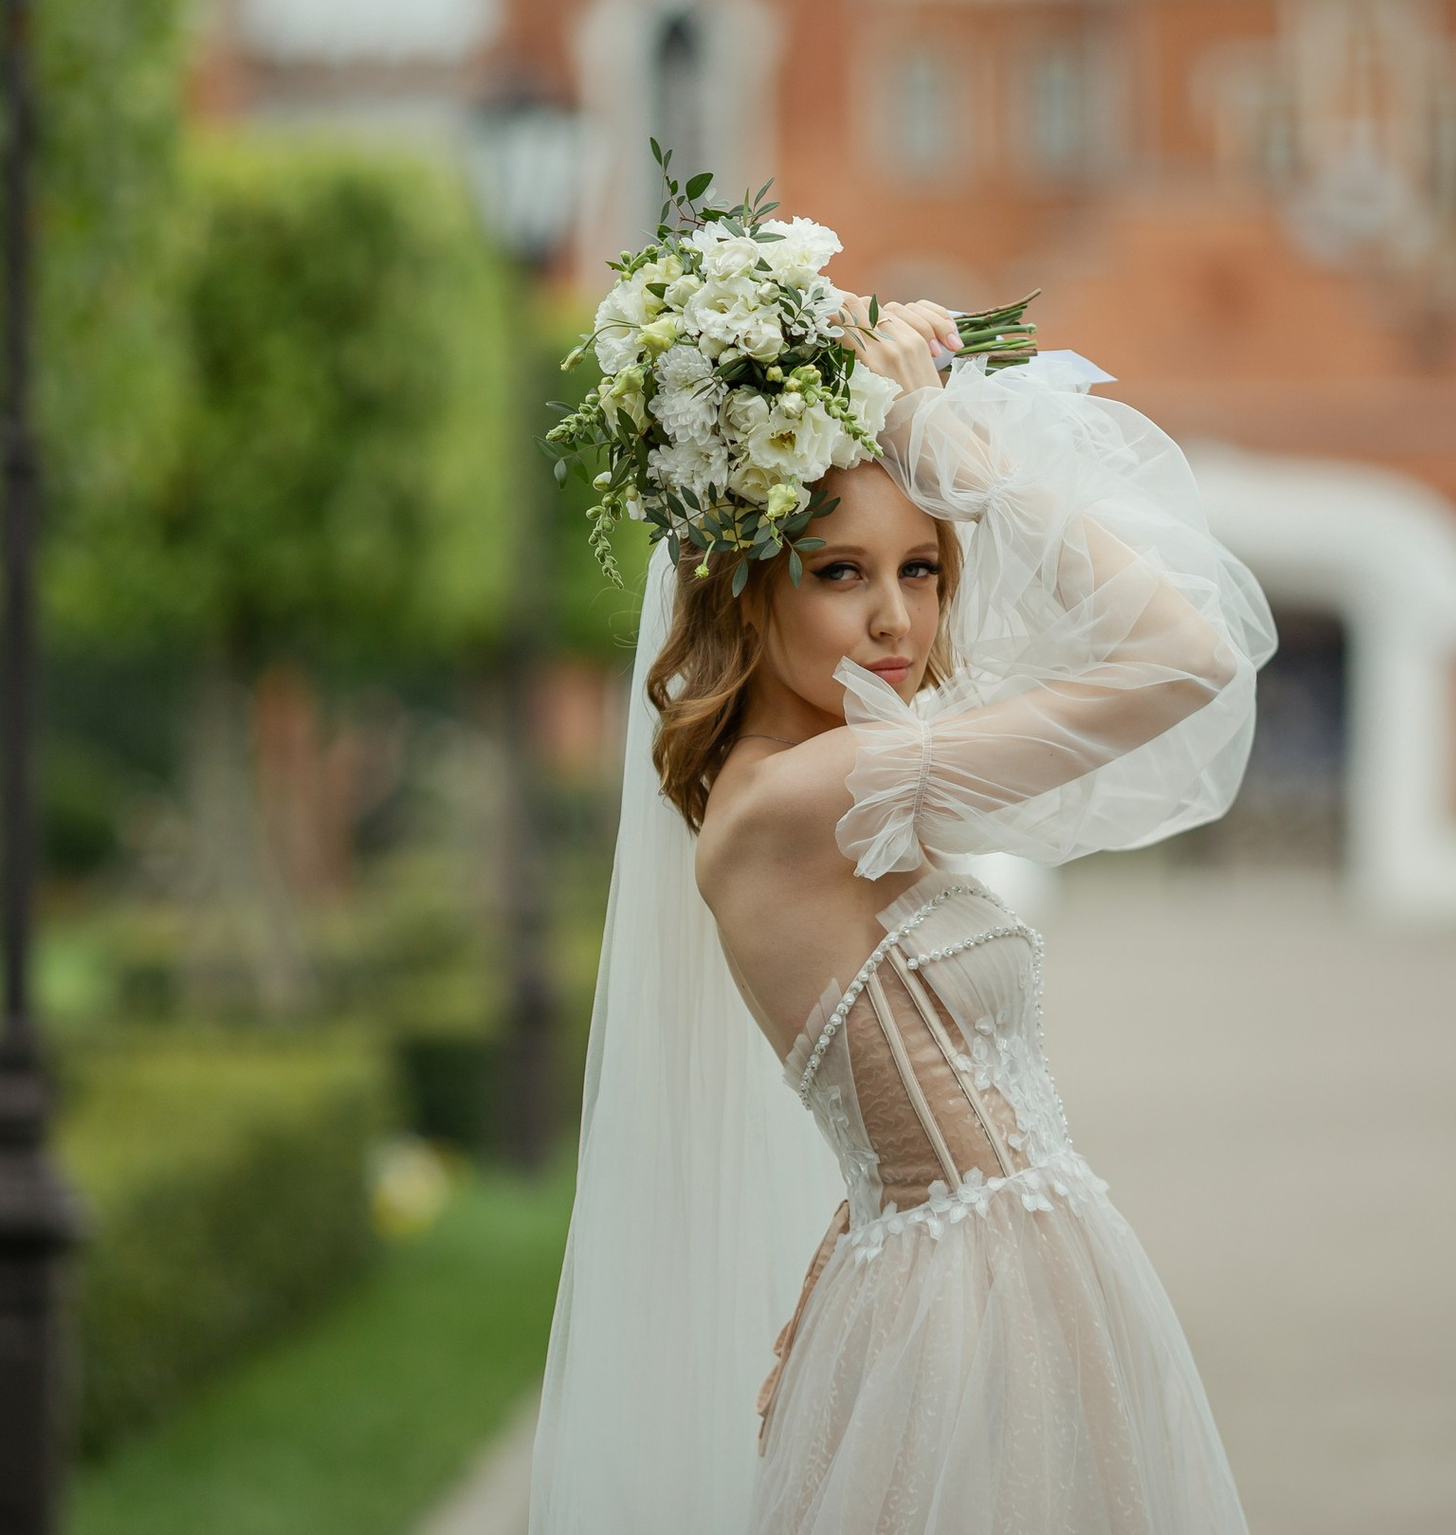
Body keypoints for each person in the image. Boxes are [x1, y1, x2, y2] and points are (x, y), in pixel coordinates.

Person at [530, 299, 1276, 1535]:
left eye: (920, 568)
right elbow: (1182, 653)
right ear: (741, 594)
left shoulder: (828, 774)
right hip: (968, 1307)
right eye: (840, 574)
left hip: (976, 1284)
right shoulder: (817, 791)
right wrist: (948, 448)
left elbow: (891, 1113)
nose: (895, 622)